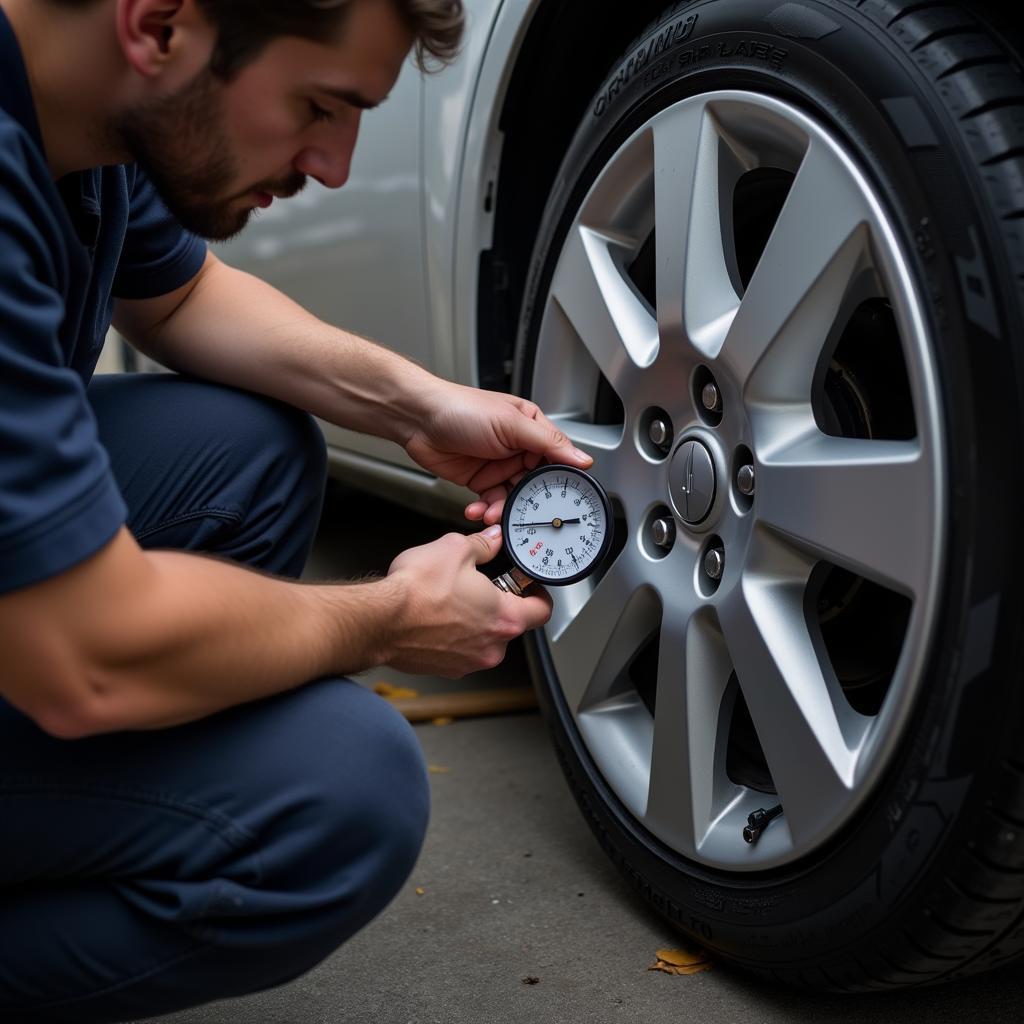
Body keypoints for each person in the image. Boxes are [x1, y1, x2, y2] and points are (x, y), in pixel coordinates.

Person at [0, 0, 594, 1019]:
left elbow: (179, 300)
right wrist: (392, 616)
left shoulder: (81, 110)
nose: (333, 166)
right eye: (319, 105)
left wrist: (422, 404)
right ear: (160, 22)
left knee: (247, 452)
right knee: (340, 795)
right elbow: (87, 650)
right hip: (65, 644)